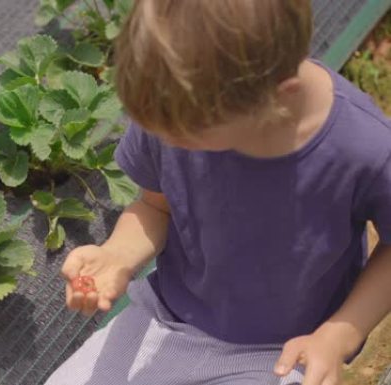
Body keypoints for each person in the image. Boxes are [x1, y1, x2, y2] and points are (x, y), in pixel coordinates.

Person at [44, 1, 391, 384]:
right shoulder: (178, 105)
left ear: (279, 95)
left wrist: (341, 333)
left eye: (186, 135)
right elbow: (155, 208)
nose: (168, 139)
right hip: (167, 318)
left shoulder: (364, 150)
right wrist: (118, 255)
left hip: (281, 350)